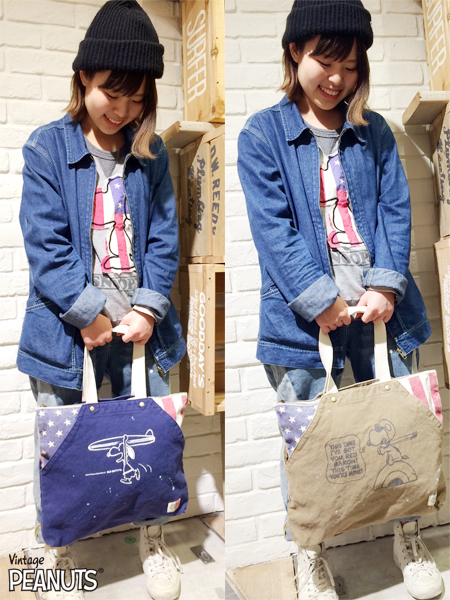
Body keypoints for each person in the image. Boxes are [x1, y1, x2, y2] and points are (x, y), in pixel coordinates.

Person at [237, 1, 444, 599]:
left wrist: (385, 285)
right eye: (325, 61)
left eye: (351, 67)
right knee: (307, 442)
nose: (337, 79)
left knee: (401, 427)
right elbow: (272, 230)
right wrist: (319, 298)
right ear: (294, 51)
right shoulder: (262, 134)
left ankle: (408, 537)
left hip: (382, 315)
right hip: (303, 325)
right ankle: (308, 554)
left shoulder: (374, 131)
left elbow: (395, 209)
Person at [18, 1, 185, 599]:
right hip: (66, 335)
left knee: (149, 443)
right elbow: (45, 244)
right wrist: (88, 313)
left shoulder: (150, 153)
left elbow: (164, 237)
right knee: (61, 444)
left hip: (141, 331)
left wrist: (147, 308)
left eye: (136, 98)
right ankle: (58, 545)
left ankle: (152, 538)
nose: (122, 109)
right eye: (112, 92)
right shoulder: (46, 147)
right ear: (84, 76)